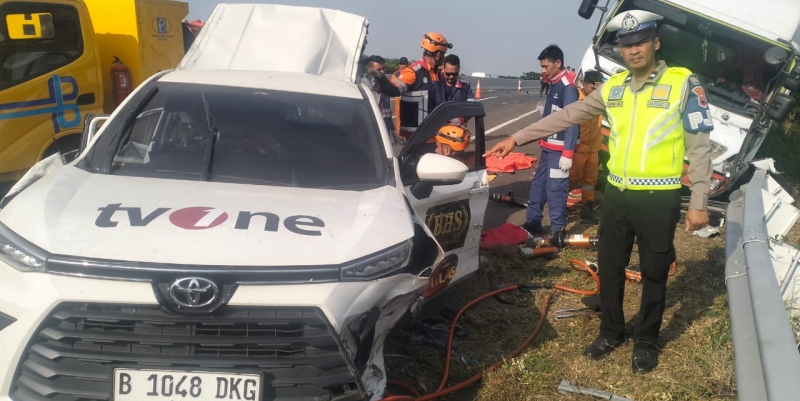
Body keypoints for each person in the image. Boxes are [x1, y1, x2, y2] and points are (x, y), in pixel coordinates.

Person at [484, 10, 713, 374]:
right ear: (620, 50)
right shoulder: (615, 87)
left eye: (640, 43)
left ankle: (646, 341)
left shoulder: (683, 83)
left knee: (654, 272)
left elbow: (701, 147)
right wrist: (517, 137)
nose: (634, 50)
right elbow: (567, 115)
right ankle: (611, 332)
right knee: (609, 267)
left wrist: (699, 202)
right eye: (626, 45)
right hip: (617, 197)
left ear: (655, 43)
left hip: (659, 198)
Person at [518, 44, 579, 236]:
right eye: (542, 66)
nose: (543, 70)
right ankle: (533, 222)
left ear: (558, 63)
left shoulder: (567, 87)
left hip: (559, 151)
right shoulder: (553, 83)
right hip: (547, 147)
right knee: (538, 186)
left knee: (556, 190)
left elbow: (572, 120)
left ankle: (557, 230)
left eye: (545, 66)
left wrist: (568, 153)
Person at [369, 32, 451, 140]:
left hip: (435, 136)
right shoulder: (413, 72)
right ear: (438, 54)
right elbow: (393, 89)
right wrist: (381, 78)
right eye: (443, 54)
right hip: (417, 139)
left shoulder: (438, 75)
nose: (443, 57)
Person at [568, 69, 605, 221]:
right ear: (584, 84)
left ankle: (587, 207)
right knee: (572, 178)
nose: (595, 91)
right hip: (578, 149)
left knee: (591, 180)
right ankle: (561, 206)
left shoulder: (601, 101)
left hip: (594, 148)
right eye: (592, 88)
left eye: (598, 88)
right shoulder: (574, 99)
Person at [363, 55, 400, 144]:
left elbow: (387, 113)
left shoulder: (385, 88)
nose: (383, 72)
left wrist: (393, 130)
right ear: (369, 70)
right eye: (379, 70)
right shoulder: (365, 88)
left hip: (385, 134)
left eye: (384, 69)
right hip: (371, 136)